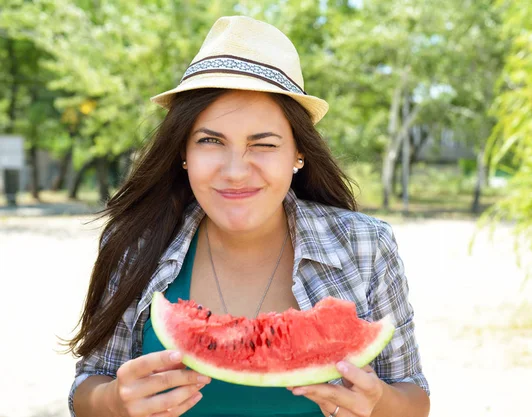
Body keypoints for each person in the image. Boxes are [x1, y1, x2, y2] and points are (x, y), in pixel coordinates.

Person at [67, 15, 430, 417]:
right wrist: (115, 402)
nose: (236, 170)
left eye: (263, 144)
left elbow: (413, 395)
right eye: (210, 141)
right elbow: (88, 385)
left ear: (298, 154)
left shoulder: (365, 245)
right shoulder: (135, 243)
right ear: (183, 153)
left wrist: (377, 405)